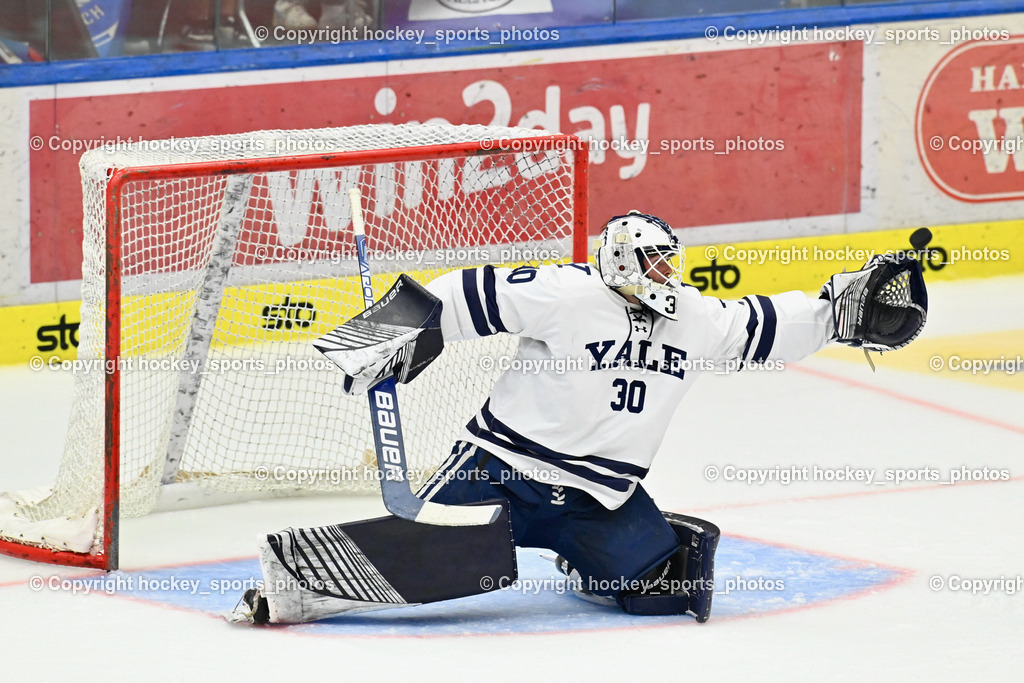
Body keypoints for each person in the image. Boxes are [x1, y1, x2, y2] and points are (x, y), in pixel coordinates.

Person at [233, 210, 927, 625]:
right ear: (622, 261)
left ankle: (583, 554)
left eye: (670, 261)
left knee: (670, 588)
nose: (666, 273)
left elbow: (761, 323)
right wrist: (391, 336)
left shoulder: (691, 315)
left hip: (598, 497)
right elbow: (464, 296)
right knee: (445, 561)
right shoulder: (567, 292)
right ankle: (292, 585)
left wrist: (841, 310)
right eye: (654, 262)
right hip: (499, 471)